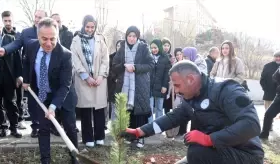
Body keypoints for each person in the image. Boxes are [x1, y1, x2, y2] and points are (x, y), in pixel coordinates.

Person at [120, 60, 264, 164]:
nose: (176, 91)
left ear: (190, 79)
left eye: (177, 85)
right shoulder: (191, 97)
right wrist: (140, 131)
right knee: (196, 153)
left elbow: (251, 125)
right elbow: (173, 118)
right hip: (214, 152)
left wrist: (209, 139)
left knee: (196, 152)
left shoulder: (226, 90)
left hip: (244, 154)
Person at [22, 18, 77, 164]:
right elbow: (26, 61)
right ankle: (45, 160)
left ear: (57, 35)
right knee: (43, 128)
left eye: (52, 39)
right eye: (44, 39)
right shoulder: (30, 46)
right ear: (37, 36)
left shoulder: (65, 55)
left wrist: (53, 107)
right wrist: (26, 80)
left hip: (63, 95)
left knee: (70, 127)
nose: (48, 43)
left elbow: (65, 85)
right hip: (42, 94)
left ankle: (75, 158)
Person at [0, 9, 48, 138]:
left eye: (40, 17)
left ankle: (46, 126)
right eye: (35, 16)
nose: (37, 19)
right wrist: (5, 49)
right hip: (31, 72)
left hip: (46, 72)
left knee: (46, 99)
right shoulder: (26, 33)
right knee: (33, 101)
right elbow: (16, 44)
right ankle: (35, 127)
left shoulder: (50, 31)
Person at [112, 26, 154, 148]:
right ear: (126, 37)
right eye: (129, 36)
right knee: (127, 113)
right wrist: (124, 66)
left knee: (139, 114)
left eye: (134, 36)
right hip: (124, 86)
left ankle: (140, 139)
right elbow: (114, 65)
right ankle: (128, 138)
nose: (131, 38)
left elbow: (150, 65)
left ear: (137, 37)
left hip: (140, 86)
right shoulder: (122, 48)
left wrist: (135, 67)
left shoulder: (143, 48)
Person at [71, 15, 109, 147]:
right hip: (84, 80)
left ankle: (99, 136)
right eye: (87, 27)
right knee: (86, 111)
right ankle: (88, 138)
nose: (90, 29)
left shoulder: (100, 39)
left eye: (92, 27)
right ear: (83, 25)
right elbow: (75, 60)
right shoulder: (76, 40)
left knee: (99, 110)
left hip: (99, 80)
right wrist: (86, 76)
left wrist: (101, 76)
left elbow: (105, 59)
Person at [1, 10, 26, 129]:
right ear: (2, 21)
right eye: (5, 21)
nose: (7, 23)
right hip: (6, 72)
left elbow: (21, 55)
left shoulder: (19, 35)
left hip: (18, 70)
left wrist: (20, 74)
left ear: (13, 20)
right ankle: (9, 121)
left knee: (20, 97)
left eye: (9, 20)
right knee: (9, 99)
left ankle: (20, 119)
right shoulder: (1, 36)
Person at [260, 51, 280, 140]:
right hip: (276, 95)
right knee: (268, 114)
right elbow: (274, 77)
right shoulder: (269, 66)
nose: (278, 58)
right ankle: (264, 134)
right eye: (276, 56)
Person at [149, 39, 170, 122]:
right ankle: (150, 127)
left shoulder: (165, 57)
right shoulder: (148, 57)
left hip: (161, 86)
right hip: (150, 86)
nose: (153, 50)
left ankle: (158, 126)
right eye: (151, 48)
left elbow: (167, 73)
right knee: (149, 108)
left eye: (155, 47)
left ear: (159, 47)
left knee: (159, 107)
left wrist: (165, 85)